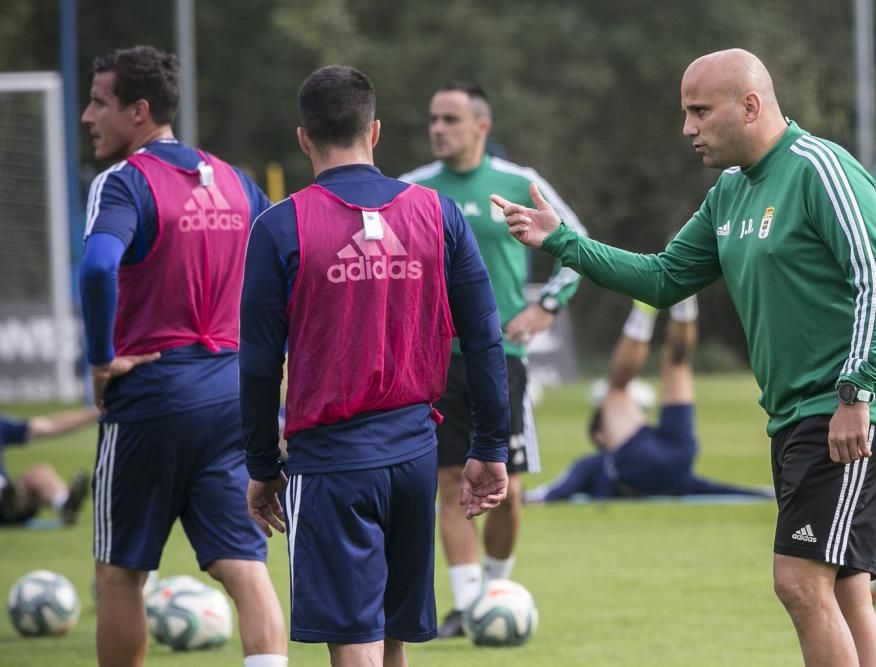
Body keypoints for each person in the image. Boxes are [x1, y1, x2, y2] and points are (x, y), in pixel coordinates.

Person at [494, 48, 876, 667]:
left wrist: (857, 393)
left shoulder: (820, 168)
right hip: (795, 415)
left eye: (698, 111)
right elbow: (663, 278)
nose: (688, 128)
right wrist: (562, 241)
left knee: (799, 582)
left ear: (750, 105)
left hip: (843, 410)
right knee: (846, 589)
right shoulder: (729, 194)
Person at [240, 66, 510, 667]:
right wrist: (491, 446)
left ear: (304, 138)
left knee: (354, 646)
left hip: (332, 463)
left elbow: (258, 366)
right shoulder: (438, 214)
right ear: (376, 131)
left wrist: (260, 465)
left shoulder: (280, 226)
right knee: (391, 641)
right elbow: (486, 340)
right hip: (414, 457)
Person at [79, 46, 287, 667]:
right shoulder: (235, 182)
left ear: (139, 112)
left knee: (119, 573)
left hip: (151, 394)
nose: (88, 116)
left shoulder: (123, 182)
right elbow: (282, 273)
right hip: (232, 397)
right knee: (245, 565)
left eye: (99, 102)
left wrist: (101, 358)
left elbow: (96, 268)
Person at [399, 82, 587, 638]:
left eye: (451, 119)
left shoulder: (516, 181)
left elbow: (575, 243)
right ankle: (467, 606)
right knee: (451, 481)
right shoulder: (411, 190)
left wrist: (546, 306)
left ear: (481, 125)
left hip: (501, 358)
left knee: (508, 490)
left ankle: (497, 585)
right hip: (434, 363)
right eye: (434, 118)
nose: (439, 128)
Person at [526, 298, 770, 503]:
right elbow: (710, 488)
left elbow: (559, 489)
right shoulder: (606, 459)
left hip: (660, 460)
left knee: (618, 387)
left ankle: (645, 310)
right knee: (676, 365)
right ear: (600, 436)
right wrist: (758, 494)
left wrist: (529, 497)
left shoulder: (601, 461)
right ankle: (681, 299)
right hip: (678, 457)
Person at [0, 407, 97, 526]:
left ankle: (65, 505)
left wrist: (96, 412)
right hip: (6, 496)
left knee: (39, 474)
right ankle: (7, 498)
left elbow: (48, 426)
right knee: (9, 490)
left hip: (11, 500)